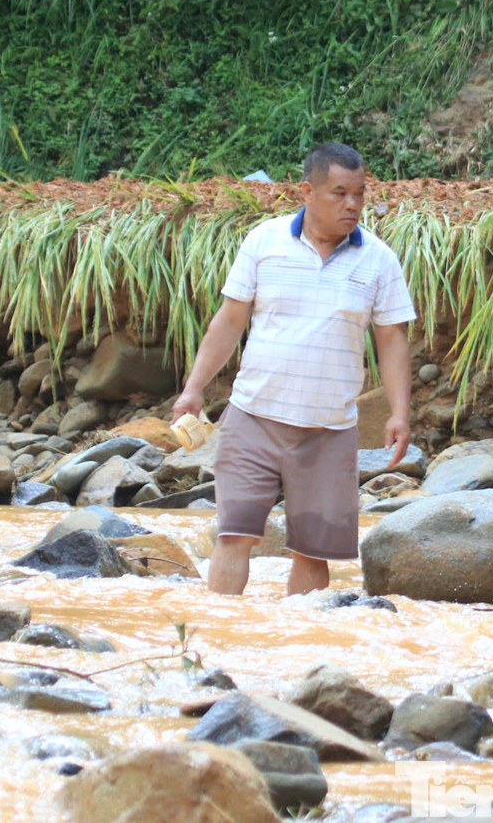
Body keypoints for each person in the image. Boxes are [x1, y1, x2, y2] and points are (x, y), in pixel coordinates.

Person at [173, 142, 416, 595]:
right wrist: (193, 389)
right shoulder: (264, 240)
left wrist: (400, 412)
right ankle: (216, 644)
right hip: (253, 418)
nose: (352, 204)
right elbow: (228, 320)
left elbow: (392, 340)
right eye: (339, 193)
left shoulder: (379, 259)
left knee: (313, 552)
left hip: (329, 430)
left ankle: (297, 657)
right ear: (308, 191)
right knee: (235, 535)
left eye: (360, 194)